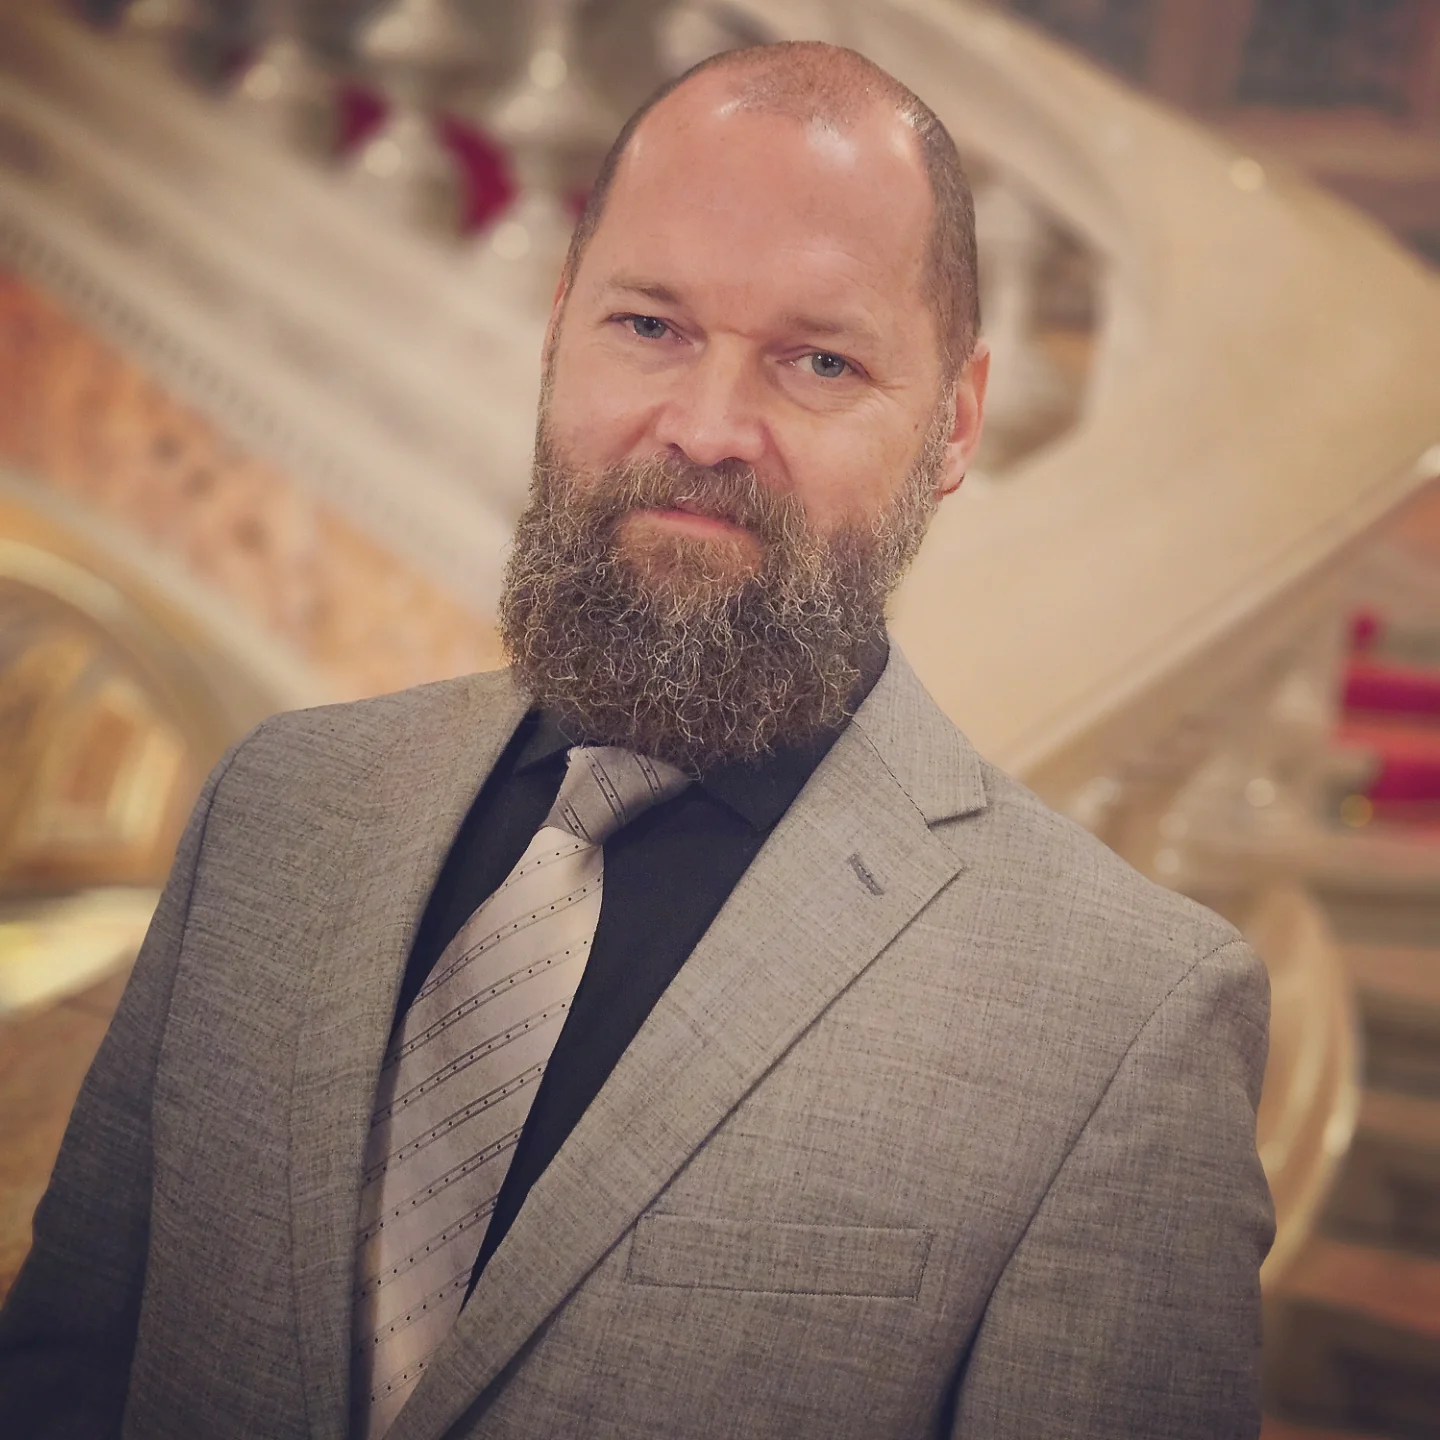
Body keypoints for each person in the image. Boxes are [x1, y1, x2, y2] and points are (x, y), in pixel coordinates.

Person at [0, 39, 1273, 1440]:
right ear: (560, 326)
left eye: (820, 359)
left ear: (956, 422)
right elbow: (62, 1373)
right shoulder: (276, 807)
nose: (709, 426)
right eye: (651, 326)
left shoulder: (1125, 1020)